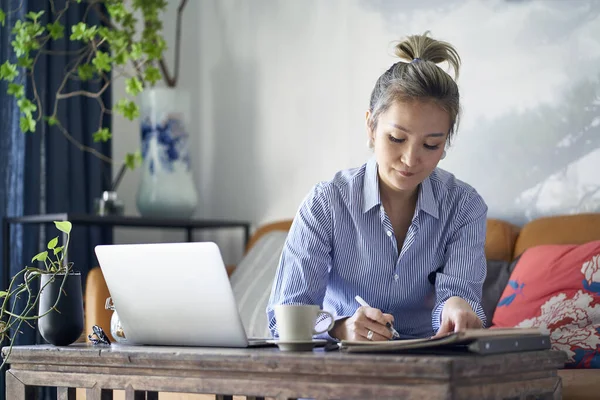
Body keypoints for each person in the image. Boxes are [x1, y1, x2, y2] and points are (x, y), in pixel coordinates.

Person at [266, 32, 487, 342]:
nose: (411, 159)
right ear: (371, 126)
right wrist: (339, 327)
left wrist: (457, 308)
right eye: (396, 139)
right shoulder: (326, 203)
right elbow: (284, 316)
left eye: (431, 144)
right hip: (341, 370)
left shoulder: (464, 206)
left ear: (446, 143)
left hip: (426, 368)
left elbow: (458, 294)